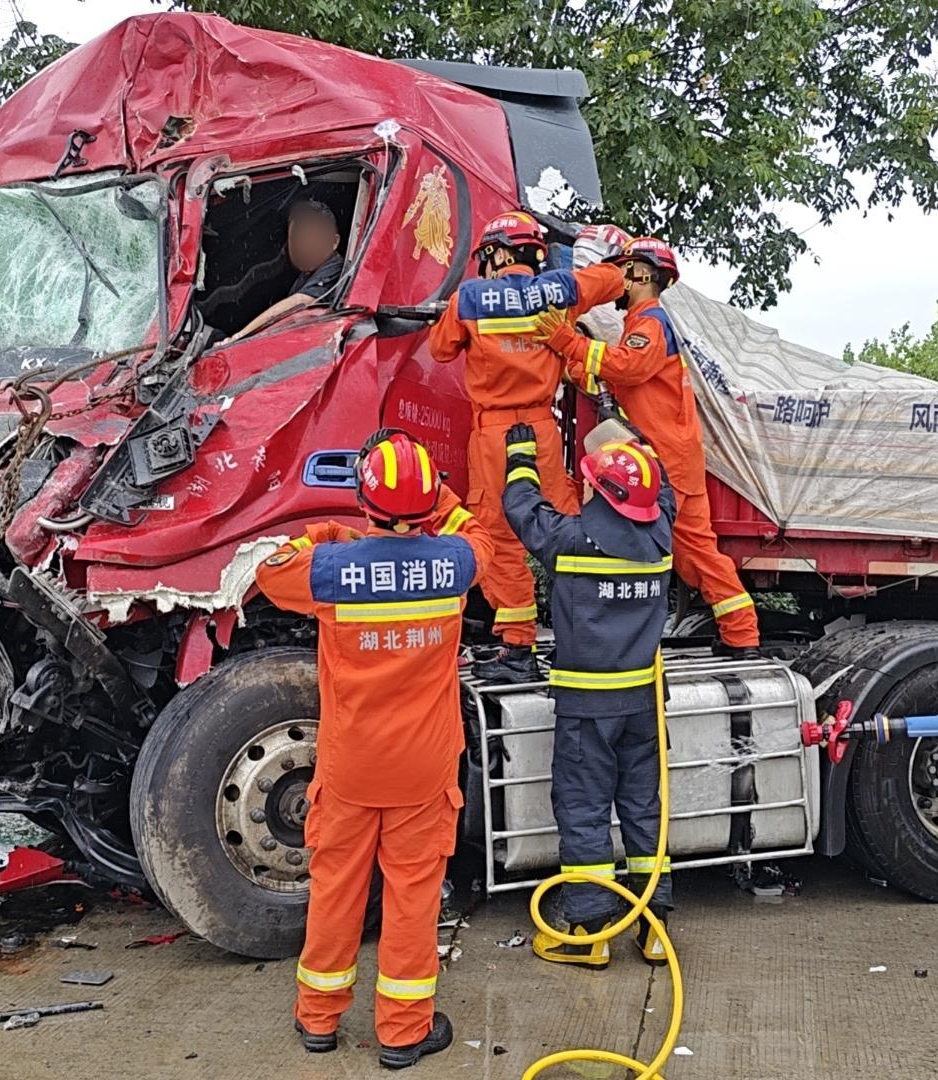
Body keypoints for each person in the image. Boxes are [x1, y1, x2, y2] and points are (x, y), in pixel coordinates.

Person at [254, 429, 493, 1068]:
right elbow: (483, 538)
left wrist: (324, 536)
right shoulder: (454, 563)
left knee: (335, 891)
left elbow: (269, 570)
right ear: (427, 506)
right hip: (423, 769)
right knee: (413, 898)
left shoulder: (333, 572)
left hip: (350, 767)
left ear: (365, 502)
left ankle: (318, 1020)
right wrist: (439, 500)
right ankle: (404, 1032)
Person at [501, 422, 676, 969]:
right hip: (644, 707)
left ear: (598, 490)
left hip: (586, 711)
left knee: (584, 812)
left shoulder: (569, 541)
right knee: (646, 813)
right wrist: (634, 442)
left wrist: (521, 453)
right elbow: (662, 485)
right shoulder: (662, 534)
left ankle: (588, 931)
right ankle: (652, 928)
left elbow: (520, 504)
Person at [533, 237, 759, 658]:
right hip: (667, 457)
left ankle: (742, 635)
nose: (619, 280)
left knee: (692, 554)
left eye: (624, 270)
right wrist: (570, 364)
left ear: (643, 274)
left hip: (667, 460)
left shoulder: (651, 323)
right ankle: (740, 634)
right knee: (694, 556)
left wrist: (566, 341)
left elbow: (628, 367)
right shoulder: (640, 324)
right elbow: (612, 378)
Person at [427, 211, 624, 682]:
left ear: (496, 252)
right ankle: (589, 634)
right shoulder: (559, 290)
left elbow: (439, 350)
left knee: (497, 536)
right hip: (543, 430)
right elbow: (612, 279)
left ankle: (518, 647)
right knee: (566, 525)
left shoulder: (470, 298)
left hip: (495, 434)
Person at [217, 197, 345, 342]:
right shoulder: (306, 275)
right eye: (297, 240)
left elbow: (299, 303)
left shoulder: (336, 269)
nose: (304, 248)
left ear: (334, 242)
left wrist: (239, 338)